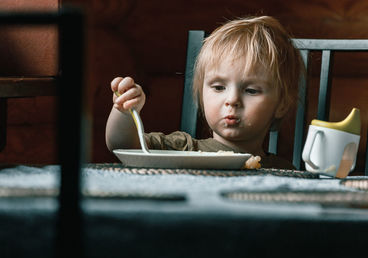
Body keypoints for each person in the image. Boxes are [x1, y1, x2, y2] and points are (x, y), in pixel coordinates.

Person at [105, 15, 304, 169]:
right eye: (218, 87)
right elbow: (123, 145)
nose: (232, 100)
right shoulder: (183, 149)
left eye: (251, 90)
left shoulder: (283, 169)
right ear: (202, 93)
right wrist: (124, 112)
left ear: (282, 105)